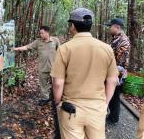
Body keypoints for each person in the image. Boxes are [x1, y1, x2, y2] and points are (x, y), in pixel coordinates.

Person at [50, 8, 118, 139]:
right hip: (97, 108)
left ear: (73, 26)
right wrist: (105, 104)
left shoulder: (65, 49)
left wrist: (58, 103)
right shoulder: (107, 49)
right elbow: (113, 80)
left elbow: (58, 83)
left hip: (71, 108)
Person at [14, 26, 60, 106]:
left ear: (47, 32)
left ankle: (56, 99)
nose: (40, 35)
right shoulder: (38, 42)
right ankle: (45, 99)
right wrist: (17, 49)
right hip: (42, 67)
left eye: (42, 33)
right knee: (43, 85)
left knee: (56, 84)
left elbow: (60, 52)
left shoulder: (55, 40)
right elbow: (27, 47)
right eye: (40, 33)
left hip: (54, 68)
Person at [105, 18, 131, 124]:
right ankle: (112, 116)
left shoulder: (123, 41)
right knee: (112, 96)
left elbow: (119, 61)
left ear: (117, 27)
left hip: (117, 74)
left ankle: (114, 119)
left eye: (110, 26)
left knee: (115, 97)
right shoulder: (116, 38)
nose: (109, 28)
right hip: (112, 72)